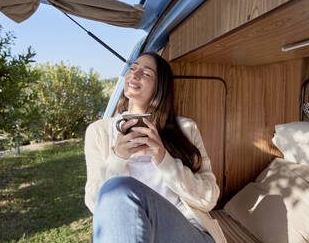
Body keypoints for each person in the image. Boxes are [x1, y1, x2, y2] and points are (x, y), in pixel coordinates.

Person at [84, 51, 226, 243]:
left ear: (160, 88)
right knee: (117, 188)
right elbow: (96, 204)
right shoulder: (98, 132)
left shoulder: (185, 128)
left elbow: (209, 198)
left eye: (147, 73)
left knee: (120, 188)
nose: (134, 74)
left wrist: (163, 159)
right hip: (134, 234)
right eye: (133, 68)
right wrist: (117, 158)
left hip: (187, 231)